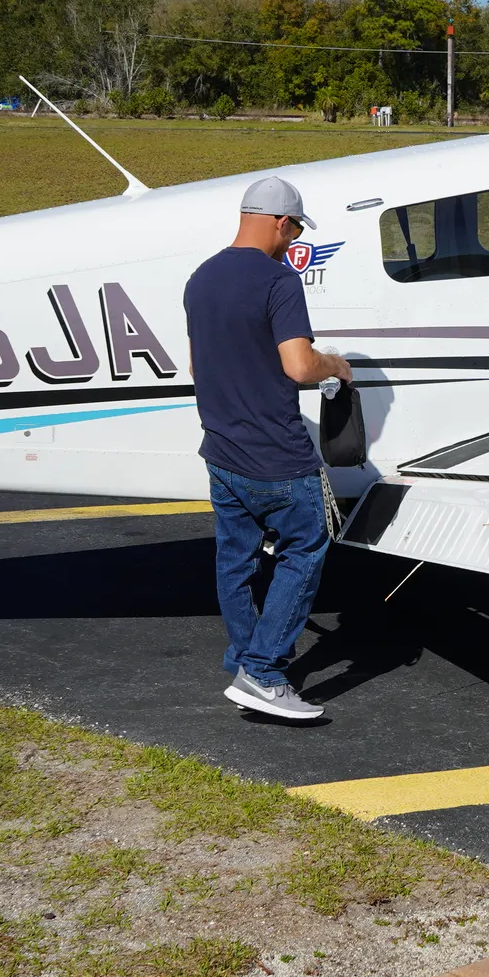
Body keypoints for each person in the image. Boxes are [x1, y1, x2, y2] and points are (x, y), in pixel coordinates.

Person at [183, 175, 353, 720]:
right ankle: (263, 672)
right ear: (280, 222)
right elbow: (300, 366)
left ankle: (244, 658)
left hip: (221, 451)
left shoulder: (201, 278)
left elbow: (196, 366)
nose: (294, 237)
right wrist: (335, 365)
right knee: (305, 549)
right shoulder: (279, 281)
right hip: (276, 455)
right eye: (295, 226)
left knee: (235, 558)